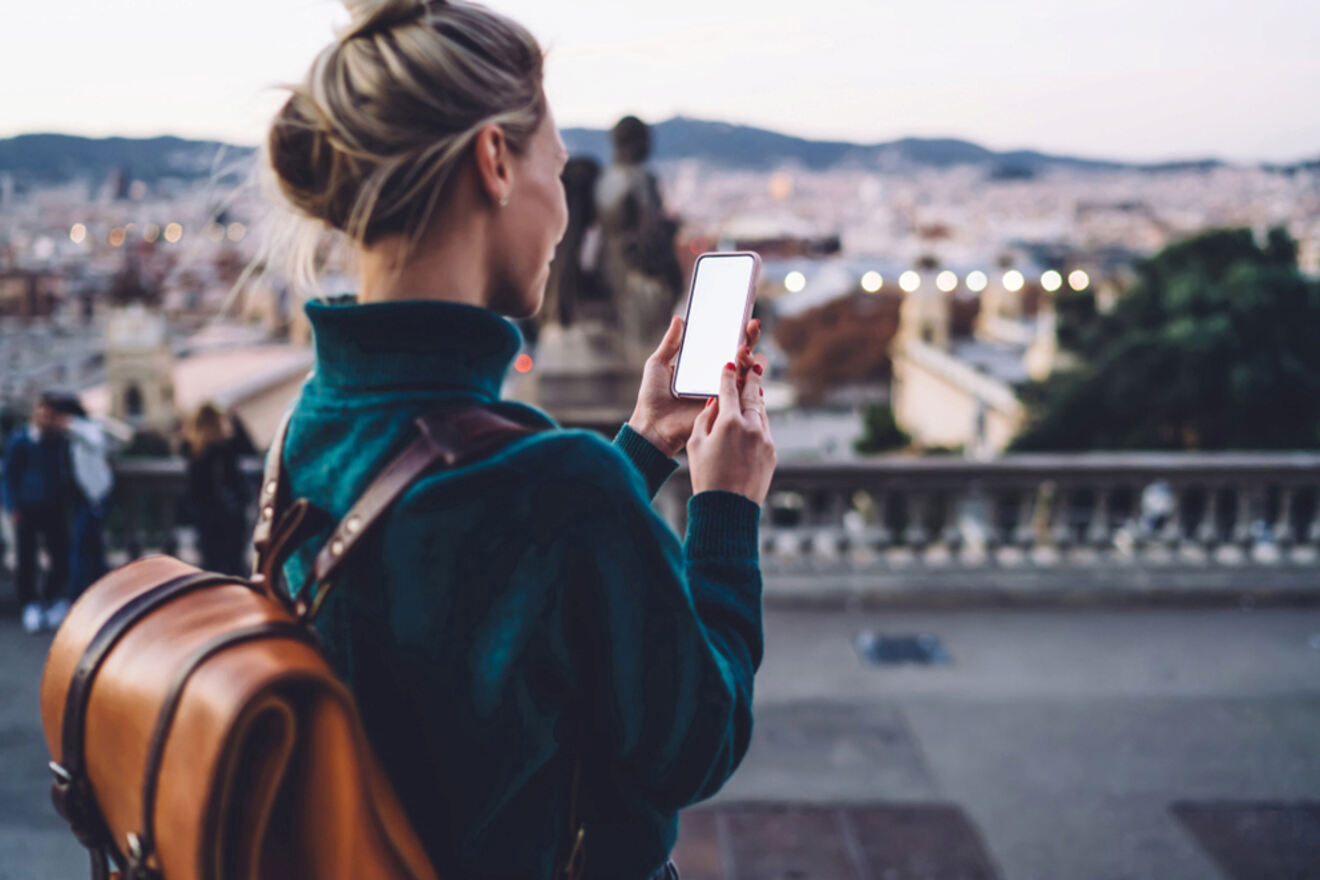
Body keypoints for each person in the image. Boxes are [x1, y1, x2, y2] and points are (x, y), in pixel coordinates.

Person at [259, 1, 777, 878]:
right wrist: (725, 509)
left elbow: (487, 590)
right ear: (495, 162)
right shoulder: (556, 488)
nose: (567, 215)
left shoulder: (310, 430)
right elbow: (700, 740)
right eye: (560, 172)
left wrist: (643, 446)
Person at [2, 392, 74, 634]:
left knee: (59, 553)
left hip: (53, 505)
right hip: (27, 506)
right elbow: (9, 475)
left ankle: (53, 599)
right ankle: (30, 603)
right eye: (42, 414)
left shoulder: (59, 440)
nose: (45, 419)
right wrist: (12, 506)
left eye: (50, 415)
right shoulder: (21, 440)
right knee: (27, 557)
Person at [180, 401, 253, 576]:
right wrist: (235, 419)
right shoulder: (226, 446)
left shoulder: (193, 450)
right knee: (236, 567)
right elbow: (249, 449)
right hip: (230, 514)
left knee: (212, 567)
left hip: (206, 517)